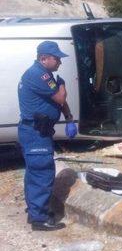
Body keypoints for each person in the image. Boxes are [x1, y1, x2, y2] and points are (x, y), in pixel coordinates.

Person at [18, 41, 76, 231]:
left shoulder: (46, 75)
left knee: (35, 172)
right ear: (44, 58)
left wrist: (68, 118)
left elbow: (58, 102)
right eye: (56, 58)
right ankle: (39, 219)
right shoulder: (39, 74)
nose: (60, 62)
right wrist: (63, 84)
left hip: (37, 131)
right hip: (36, 131)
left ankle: (35, 212)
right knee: (42, 172)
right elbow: (60, 98)